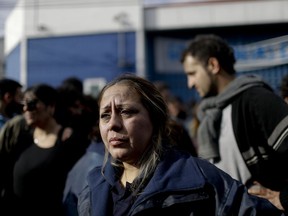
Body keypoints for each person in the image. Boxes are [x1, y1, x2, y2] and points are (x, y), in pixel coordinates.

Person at [77, 74, 283, 215]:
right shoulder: (93, 187)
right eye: (105, 115)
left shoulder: (200, 181)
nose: (113, 123)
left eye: (127, 112)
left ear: (155, 120)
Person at [180, 34, 288, 212]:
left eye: (192, 73)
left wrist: (283, 199)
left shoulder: (255, 100)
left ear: (213, 65)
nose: (190, 83)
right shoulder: (210, 114)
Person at [0, 84, 83, 216]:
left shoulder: (68, 140)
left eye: (32, 104)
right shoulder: (19, 135)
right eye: (24, 104)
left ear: (51, 106)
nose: (26, 109)